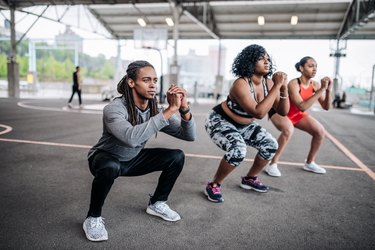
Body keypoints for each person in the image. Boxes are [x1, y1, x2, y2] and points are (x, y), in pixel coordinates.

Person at [83, 60, 196, 241]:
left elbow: (188, 135)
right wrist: (169, 110)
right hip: (104, 158)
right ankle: (93, 217)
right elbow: (131, 138)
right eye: (146, 80)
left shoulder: (153, 110)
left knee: (176, 157)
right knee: (110, 167)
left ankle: (157, 203)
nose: (152, 85)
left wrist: (184, 110)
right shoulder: (114, 109)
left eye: (155, 80)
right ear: (131, 82)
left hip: (133, 159)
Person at [204, 44, 289, 203]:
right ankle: (213, 184)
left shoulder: (268, 83)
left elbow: (283, 112)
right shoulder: (241, 84)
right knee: (238, 150)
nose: (266, 61)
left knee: (270, 145)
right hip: (220, 121)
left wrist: (283, 89)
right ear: (249, 62)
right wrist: (277, 86)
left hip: (244, 125)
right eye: (261, 58)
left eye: (267, 58)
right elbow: (258, 112)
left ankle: (250, 178)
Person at [265, 56, 332, 177]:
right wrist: (321, 90)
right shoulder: (294, 84)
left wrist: (327, 91)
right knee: (288, 129)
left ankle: (310, 162)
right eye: (311, 66)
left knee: (320, 132)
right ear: (301, 68)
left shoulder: (315, 85)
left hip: (296, 114)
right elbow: (302, 106)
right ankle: (272, 164)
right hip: (280, 112)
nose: (314, 69)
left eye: (316, 66)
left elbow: (326, 107)